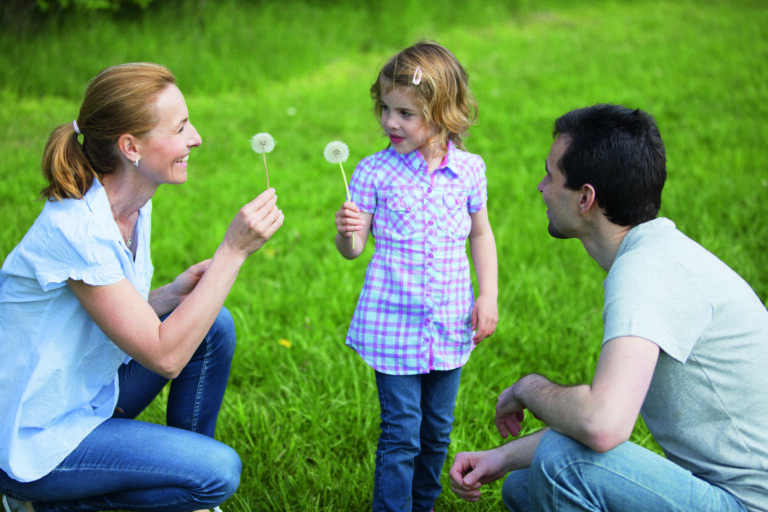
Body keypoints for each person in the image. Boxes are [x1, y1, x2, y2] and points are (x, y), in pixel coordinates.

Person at [449, 104, 768, 511]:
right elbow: (603, 417)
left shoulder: (645, 274)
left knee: (561, 465)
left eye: (551, 175)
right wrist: (501, 458)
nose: (541, 187)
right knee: (522, 488)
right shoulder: (656, 254)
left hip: (748, 503)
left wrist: (528, 388)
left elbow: (602, 424)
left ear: (585, 198)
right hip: (722, 492)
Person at [0, 63, 284, 512]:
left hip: (88, 393)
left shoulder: (132, 206)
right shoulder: (77, 230)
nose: (197, 138)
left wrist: (170, 295)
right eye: (180, 127)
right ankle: (52, 505)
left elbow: (98, 314)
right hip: (37, 438)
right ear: (131, 146)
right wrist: (233, 251)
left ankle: (182, 486)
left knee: (214, 328)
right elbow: (165, 357)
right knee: (219, 472)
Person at [334, 41, 499, 511]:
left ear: (443, 112)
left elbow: (481, 236)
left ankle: (422, 505)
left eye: (405, 113)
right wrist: (346, 232)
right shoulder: (372, 173)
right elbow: (353, 250)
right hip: (393, 326)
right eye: (385, 109)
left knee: (437, 430)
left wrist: (487, 297)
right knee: (402, 431)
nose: (390, 122)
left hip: (449, 323)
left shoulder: (469, 171)